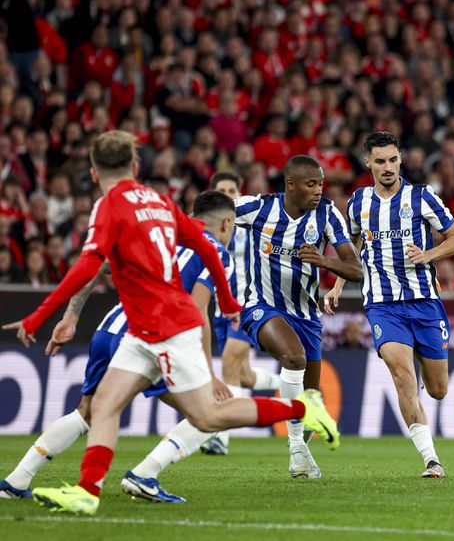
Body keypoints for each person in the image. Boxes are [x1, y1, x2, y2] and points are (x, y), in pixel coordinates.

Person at [2, 131, 339, 515]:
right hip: (143, 329)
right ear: (135, 165)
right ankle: (87, 491)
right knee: (105, 406)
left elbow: (91, 266)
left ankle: (300, 409)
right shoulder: (159, 203)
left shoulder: (110, 207)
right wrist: (229, 303)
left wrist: (45, 316)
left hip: (161, 328)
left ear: (94, 174)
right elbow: (208, 251)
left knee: (204, 415)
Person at [1, 190, 238, 502]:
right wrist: (208, 371)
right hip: (150, 337)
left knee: (86, 413)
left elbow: (99, 264)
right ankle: (145, 475)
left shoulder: (161, 236)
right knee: (213, 412)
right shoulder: (217, 253)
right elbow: (198, 312)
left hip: (109, 329)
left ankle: (15, 481)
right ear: (226, 223)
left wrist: (71, 315)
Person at [324, 131, 454, 478]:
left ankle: (422, 368)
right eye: (380, 161)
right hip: (382, 305)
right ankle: (431, 460)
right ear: (368, 163)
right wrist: (339, 284)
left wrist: (428, 255)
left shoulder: (422, 197)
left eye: (392, 160)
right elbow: (351, 247)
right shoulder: (358, 202)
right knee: (403, 376)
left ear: (400, 159)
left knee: (438, 390)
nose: (387, 167)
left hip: (424, 301)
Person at [234, 155, 363, 479]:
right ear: (290, 185)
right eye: (311, 184)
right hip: (262, 306)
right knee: (294, 357)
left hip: (307, 316)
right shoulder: (258, 208)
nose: (318, 190)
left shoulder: (327, 214)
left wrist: (324, 261)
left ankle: (300, 447)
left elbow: (357, 269)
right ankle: (295, 451)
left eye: (321, 184)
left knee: (310, 404)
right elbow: (205, 218)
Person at [198, 171, 282, 456]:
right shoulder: (208, 231)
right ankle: (294, 386)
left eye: (232, 190)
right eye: (222, 191)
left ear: (239, 192)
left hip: (247, 306)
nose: (228, 196)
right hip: (220, 309)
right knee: (242, 376)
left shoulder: (250, 224)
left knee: (230, 361)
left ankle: (220, 438)